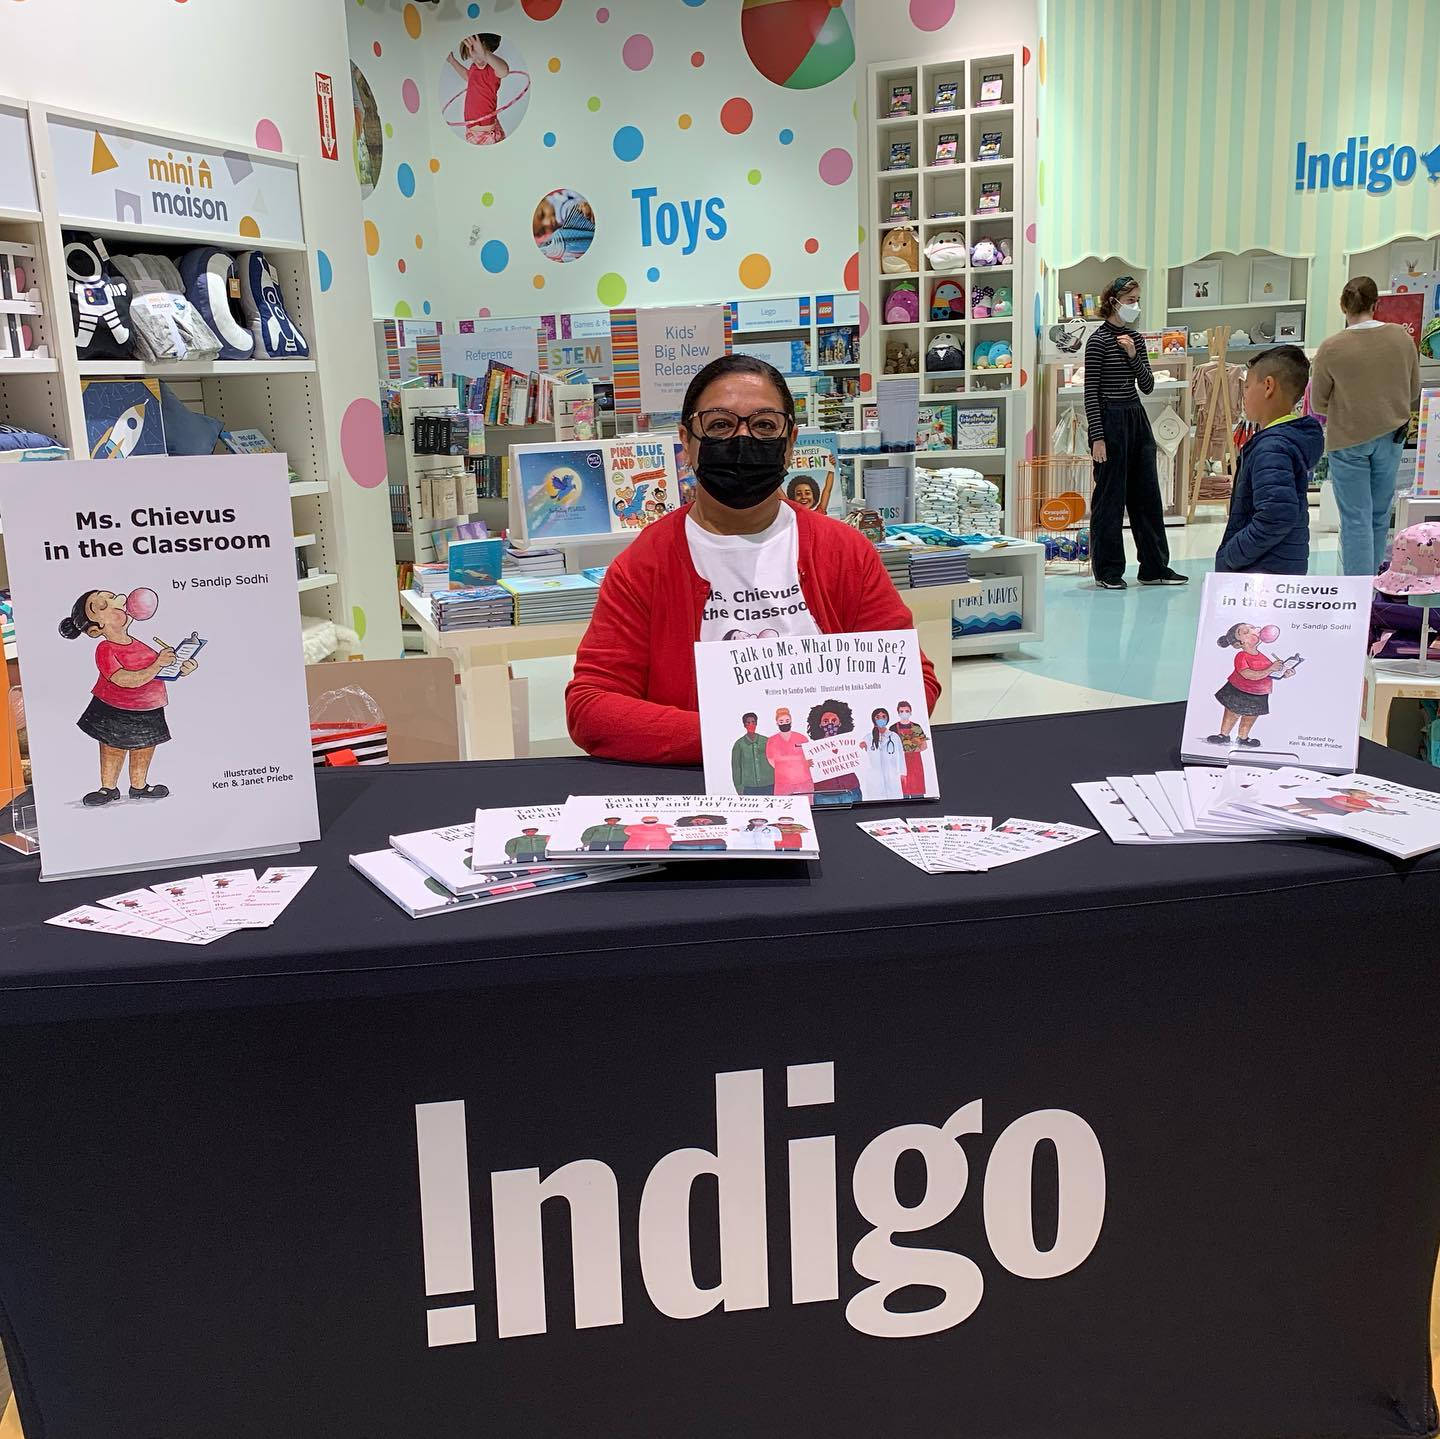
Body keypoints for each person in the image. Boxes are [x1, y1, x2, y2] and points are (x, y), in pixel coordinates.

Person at [565, 354, 940, 763]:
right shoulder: (645, 564)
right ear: (686, 441)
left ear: (790, 441)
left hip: (833, 777)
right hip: (698, 791)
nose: (742, 441)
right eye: (720, 424)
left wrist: (813, 742)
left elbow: (913, 683)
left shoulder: (843, 551)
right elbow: (592, 708)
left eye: (764, 425)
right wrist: (742, 742)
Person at [1310, 276, 1422, 576]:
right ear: (1377, 304)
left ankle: (1357, 594)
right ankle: (1372, 587)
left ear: (1342, 305)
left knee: (1355, 519)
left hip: (1347, 440)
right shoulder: (1402, 338)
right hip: (1392, 436)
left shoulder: (1331, 348)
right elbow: (1413, 392)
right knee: (1379, 514)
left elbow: (1318, 403)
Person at [1083, 276, 1188, 590]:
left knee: (1147, 495)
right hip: (1109, 419)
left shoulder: (1136, 339)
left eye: (1137, 300)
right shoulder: (1097, 341)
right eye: (1130, 301)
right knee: (1109, 499)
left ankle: (1155, 567)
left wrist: (1132, 355)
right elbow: (1090, 393)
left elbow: (1147, 385)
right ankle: (1108, 571)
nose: (1135, 306)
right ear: (1113, 301)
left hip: (1136, 417)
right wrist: (1098, 438)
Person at [59, 587, 198, 807]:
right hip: (114, 707)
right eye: (105, 605)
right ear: (96, 630)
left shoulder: (140, 645)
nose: (120, 601)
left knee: (144, 747)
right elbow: (121, 678)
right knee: (112, 747)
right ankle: (108, 788)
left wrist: (181, 667)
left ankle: (139, 786)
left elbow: (160, 673)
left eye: (113, 598)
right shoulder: (105, 648)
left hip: (149, 707)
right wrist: (156, 665)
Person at [1215, 346, 1323, 575]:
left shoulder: (1272, 447)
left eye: (1246, 386)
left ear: (1268, 386)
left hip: (1263, 574)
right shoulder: (1283, 440)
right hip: (1280, 565)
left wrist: (1230, 555)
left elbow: (1276, 515)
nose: (1243, 394)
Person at [1208, 622, 1298, 747]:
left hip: (1259, 693)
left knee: (1251, 716)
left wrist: (1284, 672)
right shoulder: (1241, 656)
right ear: (1238, 644)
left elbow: (1271, 674)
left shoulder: (1263, 657)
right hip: (1239, 690)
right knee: (1232, 713)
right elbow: (1247, 674)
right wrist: (1270, 669)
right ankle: (1224, 735)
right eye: (1246, 632)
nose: (1255, 630)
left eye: (1252, 628)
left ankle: (1243, 737)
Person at [446, 32, 510, 146]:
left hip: (486, 133)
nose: (474, 58)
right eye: (471, 55)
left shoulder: (492, 69)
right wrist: (452, 61)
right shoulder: (474, 67)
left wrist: (484, 54)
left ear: (486, 48)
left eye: (476, 52)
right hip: (472, 132)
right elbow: (468, 76)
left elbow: (504, 71)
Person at [859, 707, 905, 801]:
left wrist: (903, 773)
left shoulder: (894, 736)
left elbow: (901, 755)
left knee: (895, 803)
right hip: (874, 779)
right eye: (877, 717)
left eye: (883, 717)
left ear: (887, 719)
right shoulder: (867, 738)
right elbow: (862, 760)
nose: (881, 719)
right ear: (873, 719)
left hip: (892, 775)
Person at [889, 699, 929, 798]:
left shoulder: (916, 727)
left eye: (906, 711)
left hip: (915, 761)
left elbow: (924, 745)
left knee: (917, 791)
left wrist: (914, 749)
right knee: (903, 791)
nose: (904, 713)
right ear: (898, 713)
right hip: (900, 761)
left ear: (910, 712)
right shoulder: (893, 728)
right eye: (902, 711)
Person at [730, 712, 774, 795]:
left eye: (753, 722)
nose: (751, 725)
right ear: (744, 725)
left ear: (756, 723)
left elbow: (775, 762)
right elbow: (736, 768)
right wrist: (739, 788)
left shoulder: (766, 741)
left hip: (769, 785)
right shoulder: (739, 744)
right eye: (748, 722)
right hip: (749, 787)